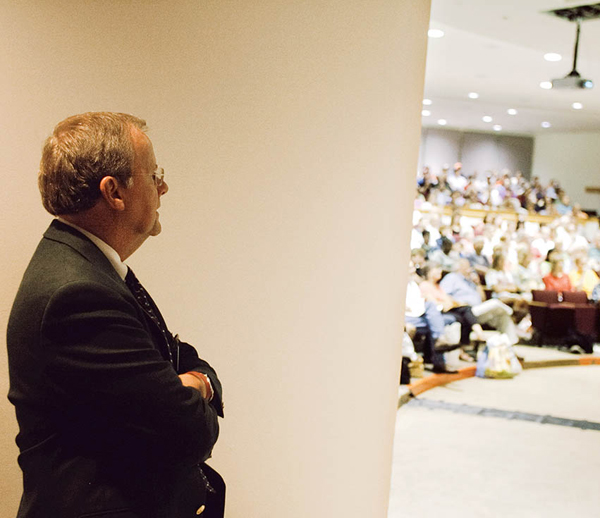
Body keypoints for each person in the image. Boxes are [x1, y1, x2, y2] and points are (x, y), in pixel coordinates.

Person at [6, 113, 225, 518]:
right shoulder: (78, 294)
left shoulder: (85, 266)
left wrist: (191, 380)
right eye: (153, 174)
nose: (164, 187)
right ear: (114, 193)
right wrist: (202, 385)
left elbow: (175, 357)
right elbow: (188, 431)